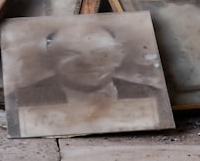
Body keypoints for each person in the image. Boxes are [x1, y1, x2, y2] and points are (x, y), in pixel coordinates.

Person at [12, 20, 162, 107]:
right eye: (70, 54)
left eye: (100, 53)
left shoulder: (151, 95)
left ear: (118, 57)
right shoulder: (22, 100)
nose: (87, 62)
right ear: (52, 58)